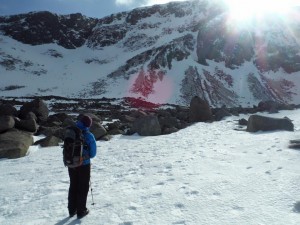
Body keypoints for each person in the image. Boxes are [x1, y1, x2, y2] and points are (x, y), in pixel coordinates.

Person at [68, 115, 97, 219]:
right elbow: (93, 154)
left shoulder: (71, 131)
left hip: (71, 163)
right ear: (88, 125)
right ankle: (81, 210)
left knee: (73, 185)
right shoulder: (89, 135)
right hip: (83, 164)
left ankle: (72, 210)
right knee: (83, 187)